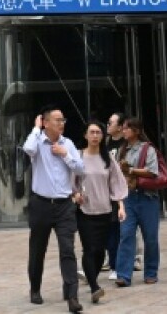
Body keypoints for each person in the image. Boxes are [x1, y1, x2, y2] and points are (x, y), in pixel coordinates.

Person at [23, 104, 85, 312]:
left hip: (65, 205)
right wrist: (35, 129)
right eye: (57, 120)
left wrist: (65, 154)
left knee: (67, 249)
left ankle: (72, 295)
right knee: (37, 250)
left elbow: (80, 168)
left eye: (63, 120)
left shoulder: (68, 144)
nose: (62, 124)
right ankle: (35, 289)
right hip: (41, 204)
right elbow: (28, 149)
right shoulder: (37, 142)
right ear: (46, 122)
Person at [72, 120, 127, 305]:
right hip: (85, 211)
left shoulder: (108, 159)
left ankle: (91, 278)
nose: (95, 136)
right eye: (92, 132)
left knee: (100, 252)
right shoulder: (78, 157)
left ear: (103, 136)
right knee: (89, 249)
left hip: (104, 210)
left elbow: (117, 183)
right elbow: (70, 182)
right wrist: (76, 194)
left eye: (98, 132)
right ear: (85, 135)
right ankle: (95, 286)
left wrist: (120, 206)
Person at [113, 117, 160, 288]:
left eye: (127, 128)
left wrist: (131, 170)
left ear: (136, 131)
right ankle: (124, 275)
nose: (123, 131)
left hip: (147, 197)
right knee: (126, 235)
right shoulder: (121, 150)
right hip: (128, 198)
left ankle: (151, 272)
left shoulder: (148, 149)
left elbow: (152, 171)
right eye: (123, 128)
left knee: (151, 237)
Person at [102, 112, 135, 281]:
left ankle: (126, 261)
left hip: (124, 190)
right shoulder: (105, 143)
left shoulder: (127, 144)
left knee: (125, 228)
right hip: (107, 192)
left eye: (110, 122)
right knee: (111, 229)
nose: (108, 125)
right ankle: (114, 263)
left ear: (120, 126)